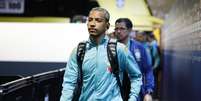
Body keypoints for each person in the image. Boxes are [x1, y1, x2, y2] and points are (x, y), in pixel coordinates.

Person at [60, 7, 142, 101]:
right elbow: (69, 83)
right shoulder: (79, 50)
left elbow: (136, 76)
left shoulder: (119, 49)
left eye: (98, 20)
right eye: (90, 20)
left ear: (107, 25)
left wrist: (133, 98)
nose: (92, 24)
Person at [114, 18, 154, 101]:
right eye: (116, 29)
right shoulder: (110, 49)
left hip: (136, 92)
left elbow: (148, 70)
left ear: (129, 30)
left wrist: (148, 92)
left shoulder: (139, 48)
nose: (118, 31)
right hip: (115, 93)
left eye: (122, 29)